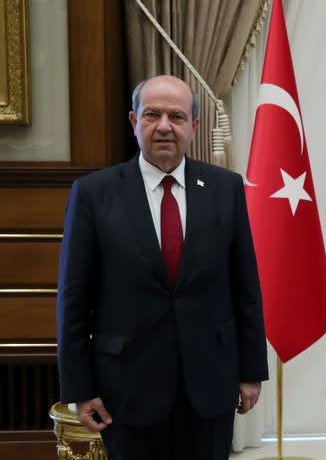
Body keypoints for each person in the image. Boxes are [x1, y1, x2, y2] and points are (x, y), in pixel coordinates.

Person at [57, 75, 268, 460]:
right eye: (152, 115)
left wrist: (251, 370)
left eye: (177, 116)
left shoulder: (227, 189)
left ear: (195, 126)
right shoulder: (93, 194)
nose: (165, 126)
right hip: (126, 388)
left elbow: (245, 288)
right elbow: (74, 299)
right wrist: (79, 388)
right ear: (134, 122)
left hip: (209, 384)